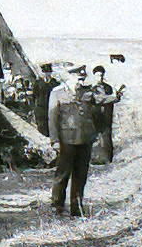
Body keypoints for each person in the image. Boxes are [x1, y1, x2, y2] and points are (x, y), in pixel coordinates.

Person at [48, 66, 116, 217]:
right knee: (63, 174)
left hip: (85, 140)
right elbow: (52, 120)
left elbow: (101, 99)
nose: (81, 82)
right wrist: (55, 141)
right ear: (70, 77)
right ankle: (57, 205)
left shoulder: (86, 93)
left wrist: (115, 97)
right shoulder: (57, 94)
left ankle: (76, 206)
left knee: (80, 175)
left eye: (83, 79)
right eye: (79, 79)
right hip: (66, 141)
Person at [88, 65, 125, 165]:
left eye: (101, 75)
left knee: (107, 137)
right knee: (98, 137)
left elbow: (109, 100)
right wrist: (114, 97)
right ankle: (97, 158)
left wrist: (116, 97)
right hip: (97, 116)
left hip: (107, 116)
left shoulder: (108, 87)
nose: (99, 78)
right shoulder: (93, 89)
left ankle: (108, 158)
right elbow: (101, 99)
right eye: (97, 76)